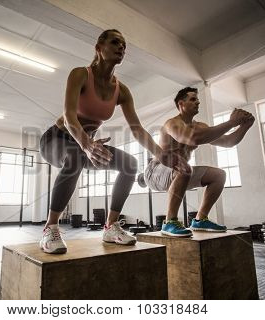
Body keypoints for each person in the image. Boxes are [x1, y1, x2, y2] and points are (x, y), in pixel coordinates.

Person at [39, 29, 191, 253]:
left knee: (129, 164)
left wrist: (161, 155)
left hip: (85, 146)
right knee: (75, 155)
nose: (121, 47)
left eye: (124, 45)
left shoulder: (122, 91)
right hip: (56, 139)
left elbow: (138, 130)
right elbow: (70, 118)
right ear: (99, 47)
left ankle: (110, 227)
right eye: (115, 42)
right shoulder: (80, 74)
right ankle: (50, 228)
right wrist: (87, 144)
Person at [144, 87, 255, 237]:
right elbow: (193, 138)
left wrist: (245, 126)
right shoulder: (172, 124)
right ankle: (169, 222)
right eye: (192, 99)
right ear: (181, 104)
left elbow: (228, 141)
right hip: (155, 171)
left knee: (219, 175)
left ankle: (200, 219)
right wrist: (231, 122)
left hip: (180, 172)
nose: (197, 102)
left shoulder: (200, 126)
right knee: (185, 168)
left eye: (197, 99)